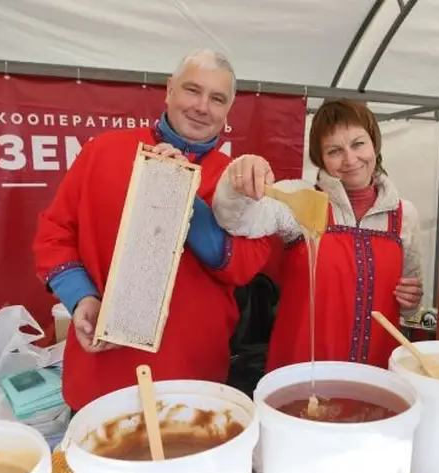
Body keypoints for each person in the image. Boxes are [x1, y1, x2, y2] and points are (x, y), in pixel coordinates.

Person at [33, 49, 272, 411]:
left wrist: (182, 200)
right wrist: (82, 297)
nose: (202, 106)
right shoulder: (102, 151)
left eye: (217, 98)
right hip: (103, 373)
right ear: (169, 90)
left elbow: (246, 265)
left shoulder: (236, 180)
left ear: (228, 111)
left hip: (194, 378)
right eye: (192, 90)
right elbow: (54, 235)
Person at [212, 99, 423, 371]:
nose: (350, 159)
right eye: (335, 150)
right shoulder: (300, 199)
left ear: (374, 144)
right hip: (302, 374)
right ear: (321, 158)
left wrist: (412, 301)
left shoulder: (405, 215)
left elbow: (410, 308)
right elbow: (235, 220)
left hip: (377, 376)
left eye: (358, 144)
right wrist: (238, 178)